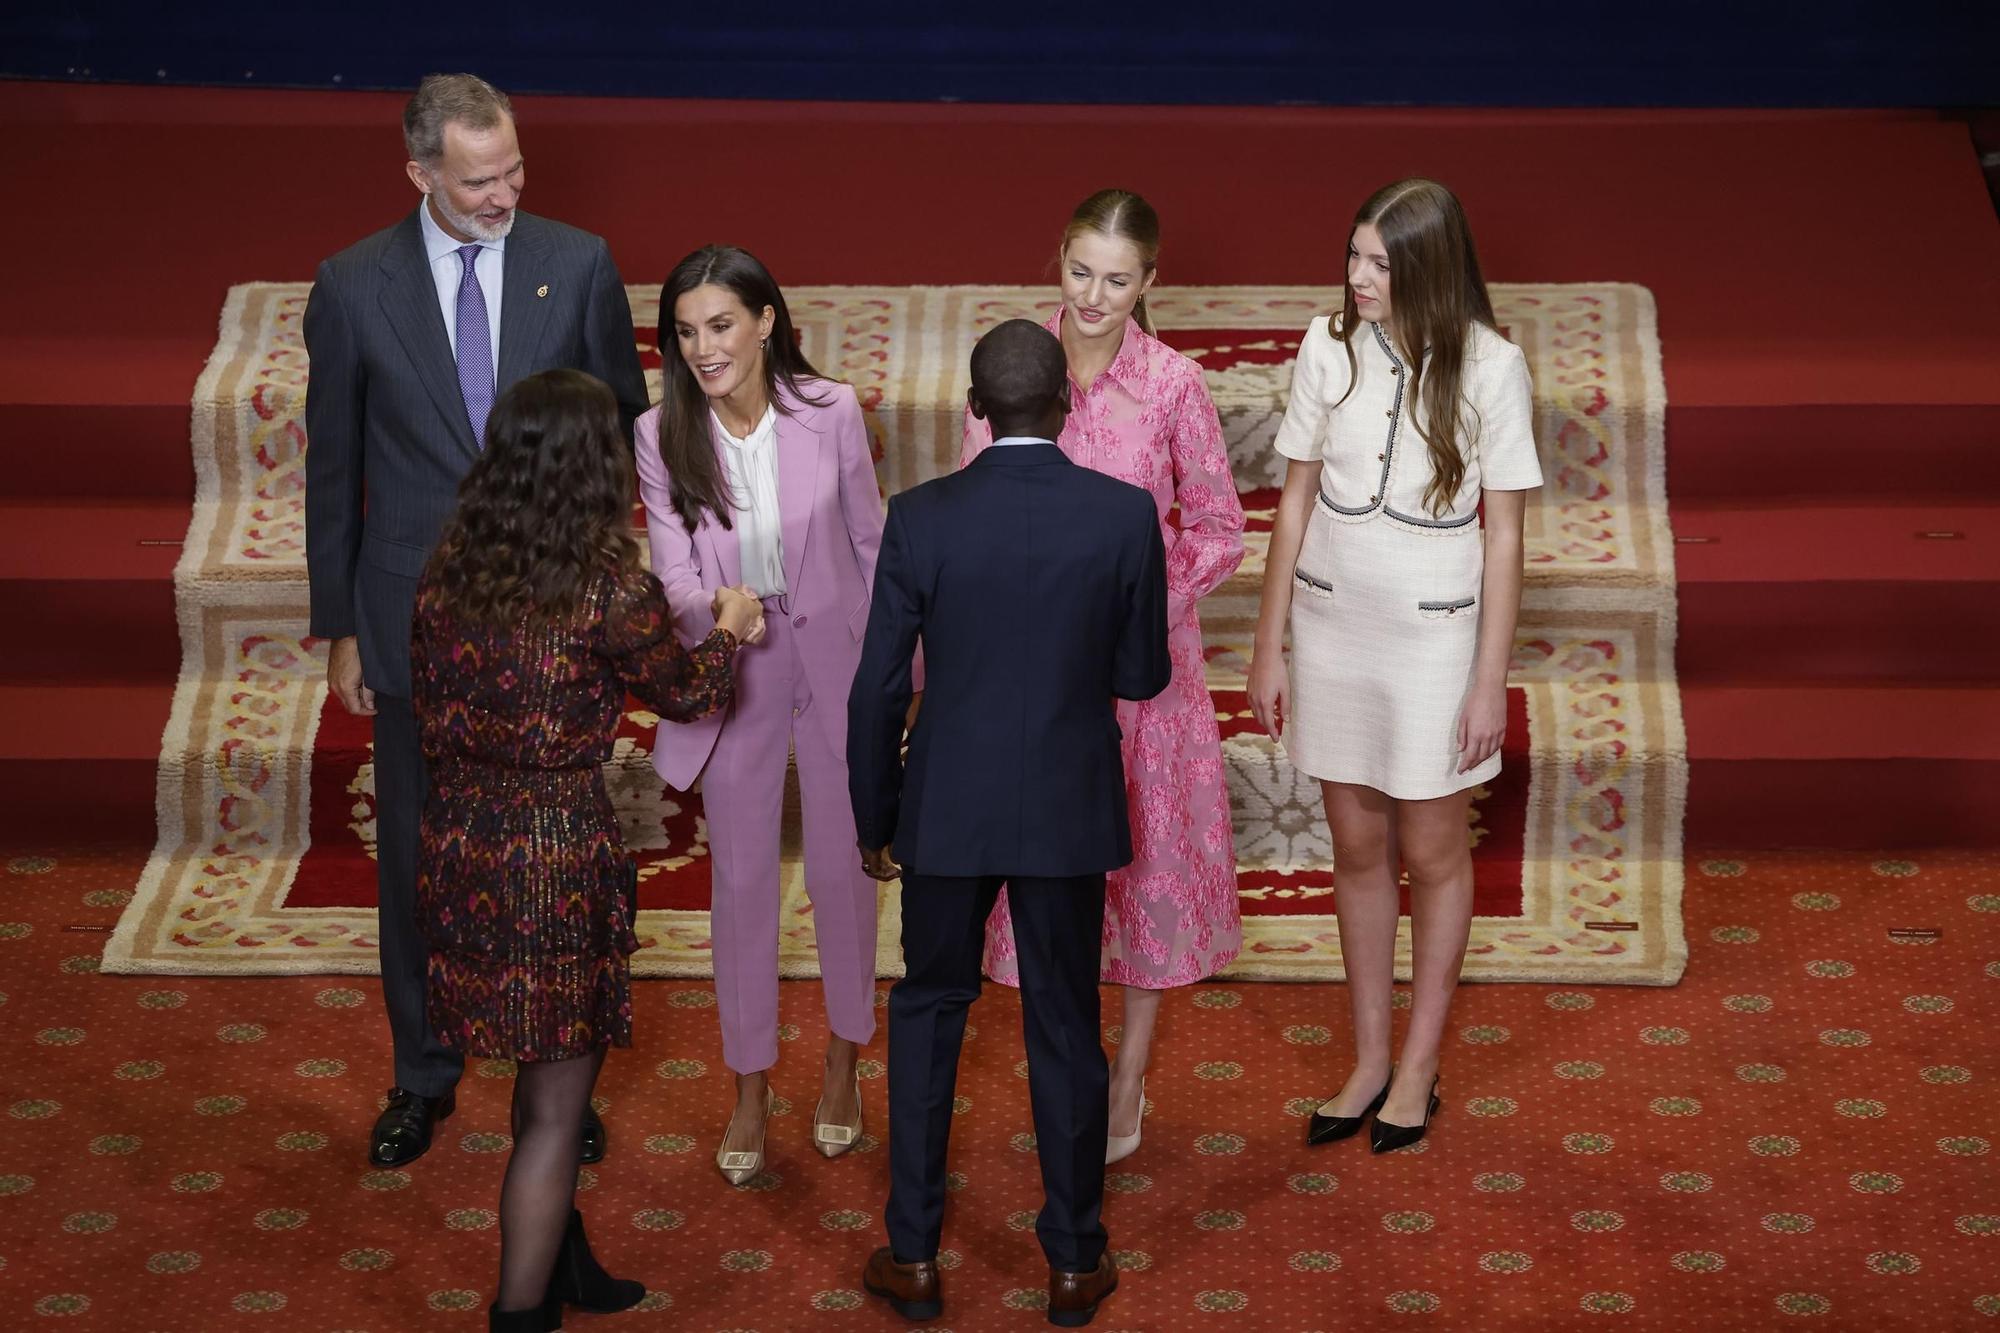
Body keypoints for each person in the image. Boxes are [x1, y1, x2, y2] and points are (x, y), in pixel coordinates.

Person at [304, 72, 649, 1170]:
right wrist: (343, 627)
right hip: (413, 620)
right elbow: (336, 470)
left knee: (547, 862)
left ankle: (557, 1078)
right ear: (419, 174)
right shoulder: (352, 285)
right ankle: (423, 1074)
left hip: (551, 618)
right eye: (477, 179)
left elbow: (619, 435)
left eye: (512, 170)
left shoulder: (578, 261)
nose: (503, 194)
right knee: (418, 856)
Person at [410, 369, 763, 1331]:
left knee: (535, 1086)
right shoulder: (607, 588)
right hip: (551, 851)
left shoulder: (449, 571)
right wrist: (730, 630)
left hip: (458, 842)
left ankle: (562, 1260)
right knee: (557, 1108)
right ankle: (520, 1311)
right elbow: (689, 692)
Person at [851, 320, 1169, 1327]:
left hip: (944, 807)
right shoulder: (1122, 516)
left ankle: (911, 1257)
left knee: (929, 1011)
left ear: (975, 414)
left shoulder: (919, 516)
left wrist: (876, 818)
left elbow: (873, 694)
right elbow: (1141, 675)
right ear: (1066, 405)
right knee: (1066, 1024)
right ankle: (1075, 1263)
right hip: (1068, 810)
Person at [1248, 178, 1543, 1153]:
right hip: (1333, 634)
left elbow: (1503, 540)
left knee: (1431, 851)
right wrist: (1267, 642)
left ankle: (1419, 1062)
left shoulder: (1491, 368)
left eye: (1379, 263)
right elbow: (1291, 501)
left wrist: (1485, 677)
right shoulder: (1322, 344)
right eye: (1352, 256)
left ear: (1426, 269)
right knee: (1358, 849)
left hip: (1433, 643)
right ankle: (1369, 1056)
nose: (1356, 277)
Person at [961, 189, 1244, 1163]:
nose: (1093, 295)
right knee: (1051, 877)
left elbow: (1217, 529)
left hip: (1138, 679)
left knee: (1141, 871)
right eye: (1080, 271)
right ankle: (1067, 1064)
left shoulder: (1171, 386)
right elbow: (972, 505)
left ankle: (1124, 1078)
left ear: (1148, 283)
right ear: (1057, 258)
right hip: (1034, 679)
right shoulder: (1013, 365)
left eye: (1116, 280)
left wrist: (1142, 600)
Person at [634, 245, 902, 1185]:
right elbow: (671, 572)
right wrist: (719, 614)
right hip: (734, 670)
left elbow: (872, 540)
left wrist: (901, 675)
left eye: (720, 325)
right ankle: (749, 1085)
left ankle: (842, 1063)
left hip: (835, 662)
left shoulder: (827, 412)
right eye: (686, 332)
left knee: (845, 870)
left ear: (765, 322)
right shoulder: (659, 431)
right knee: (740, 883)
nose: (704, 348)